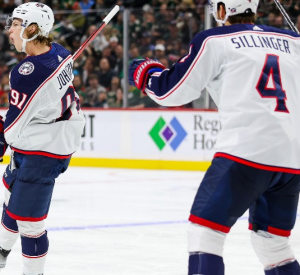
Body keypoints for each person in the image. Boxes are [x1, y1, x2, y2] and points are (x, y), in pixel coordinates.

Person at [128, 0, 300, 274]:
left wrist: (145, 73)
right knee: (273, 244)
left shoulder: (215, 40)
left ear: (223, 10)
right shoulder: (292, 41)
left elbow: (172, 91)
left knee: (204, 233)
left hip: (245, 152)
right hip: (291, 161)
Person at [0, 2, 85, 275]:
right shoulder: (59, 52)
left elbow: (11, 130)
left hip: (45, 149)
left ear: (32, 29)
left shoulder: (26, 72)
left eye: (15, 24)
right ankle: (0, 249)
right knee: (12, 192)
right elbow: (32, 107)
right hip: (45, 136)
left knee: (31, 223)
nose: (9, 31)